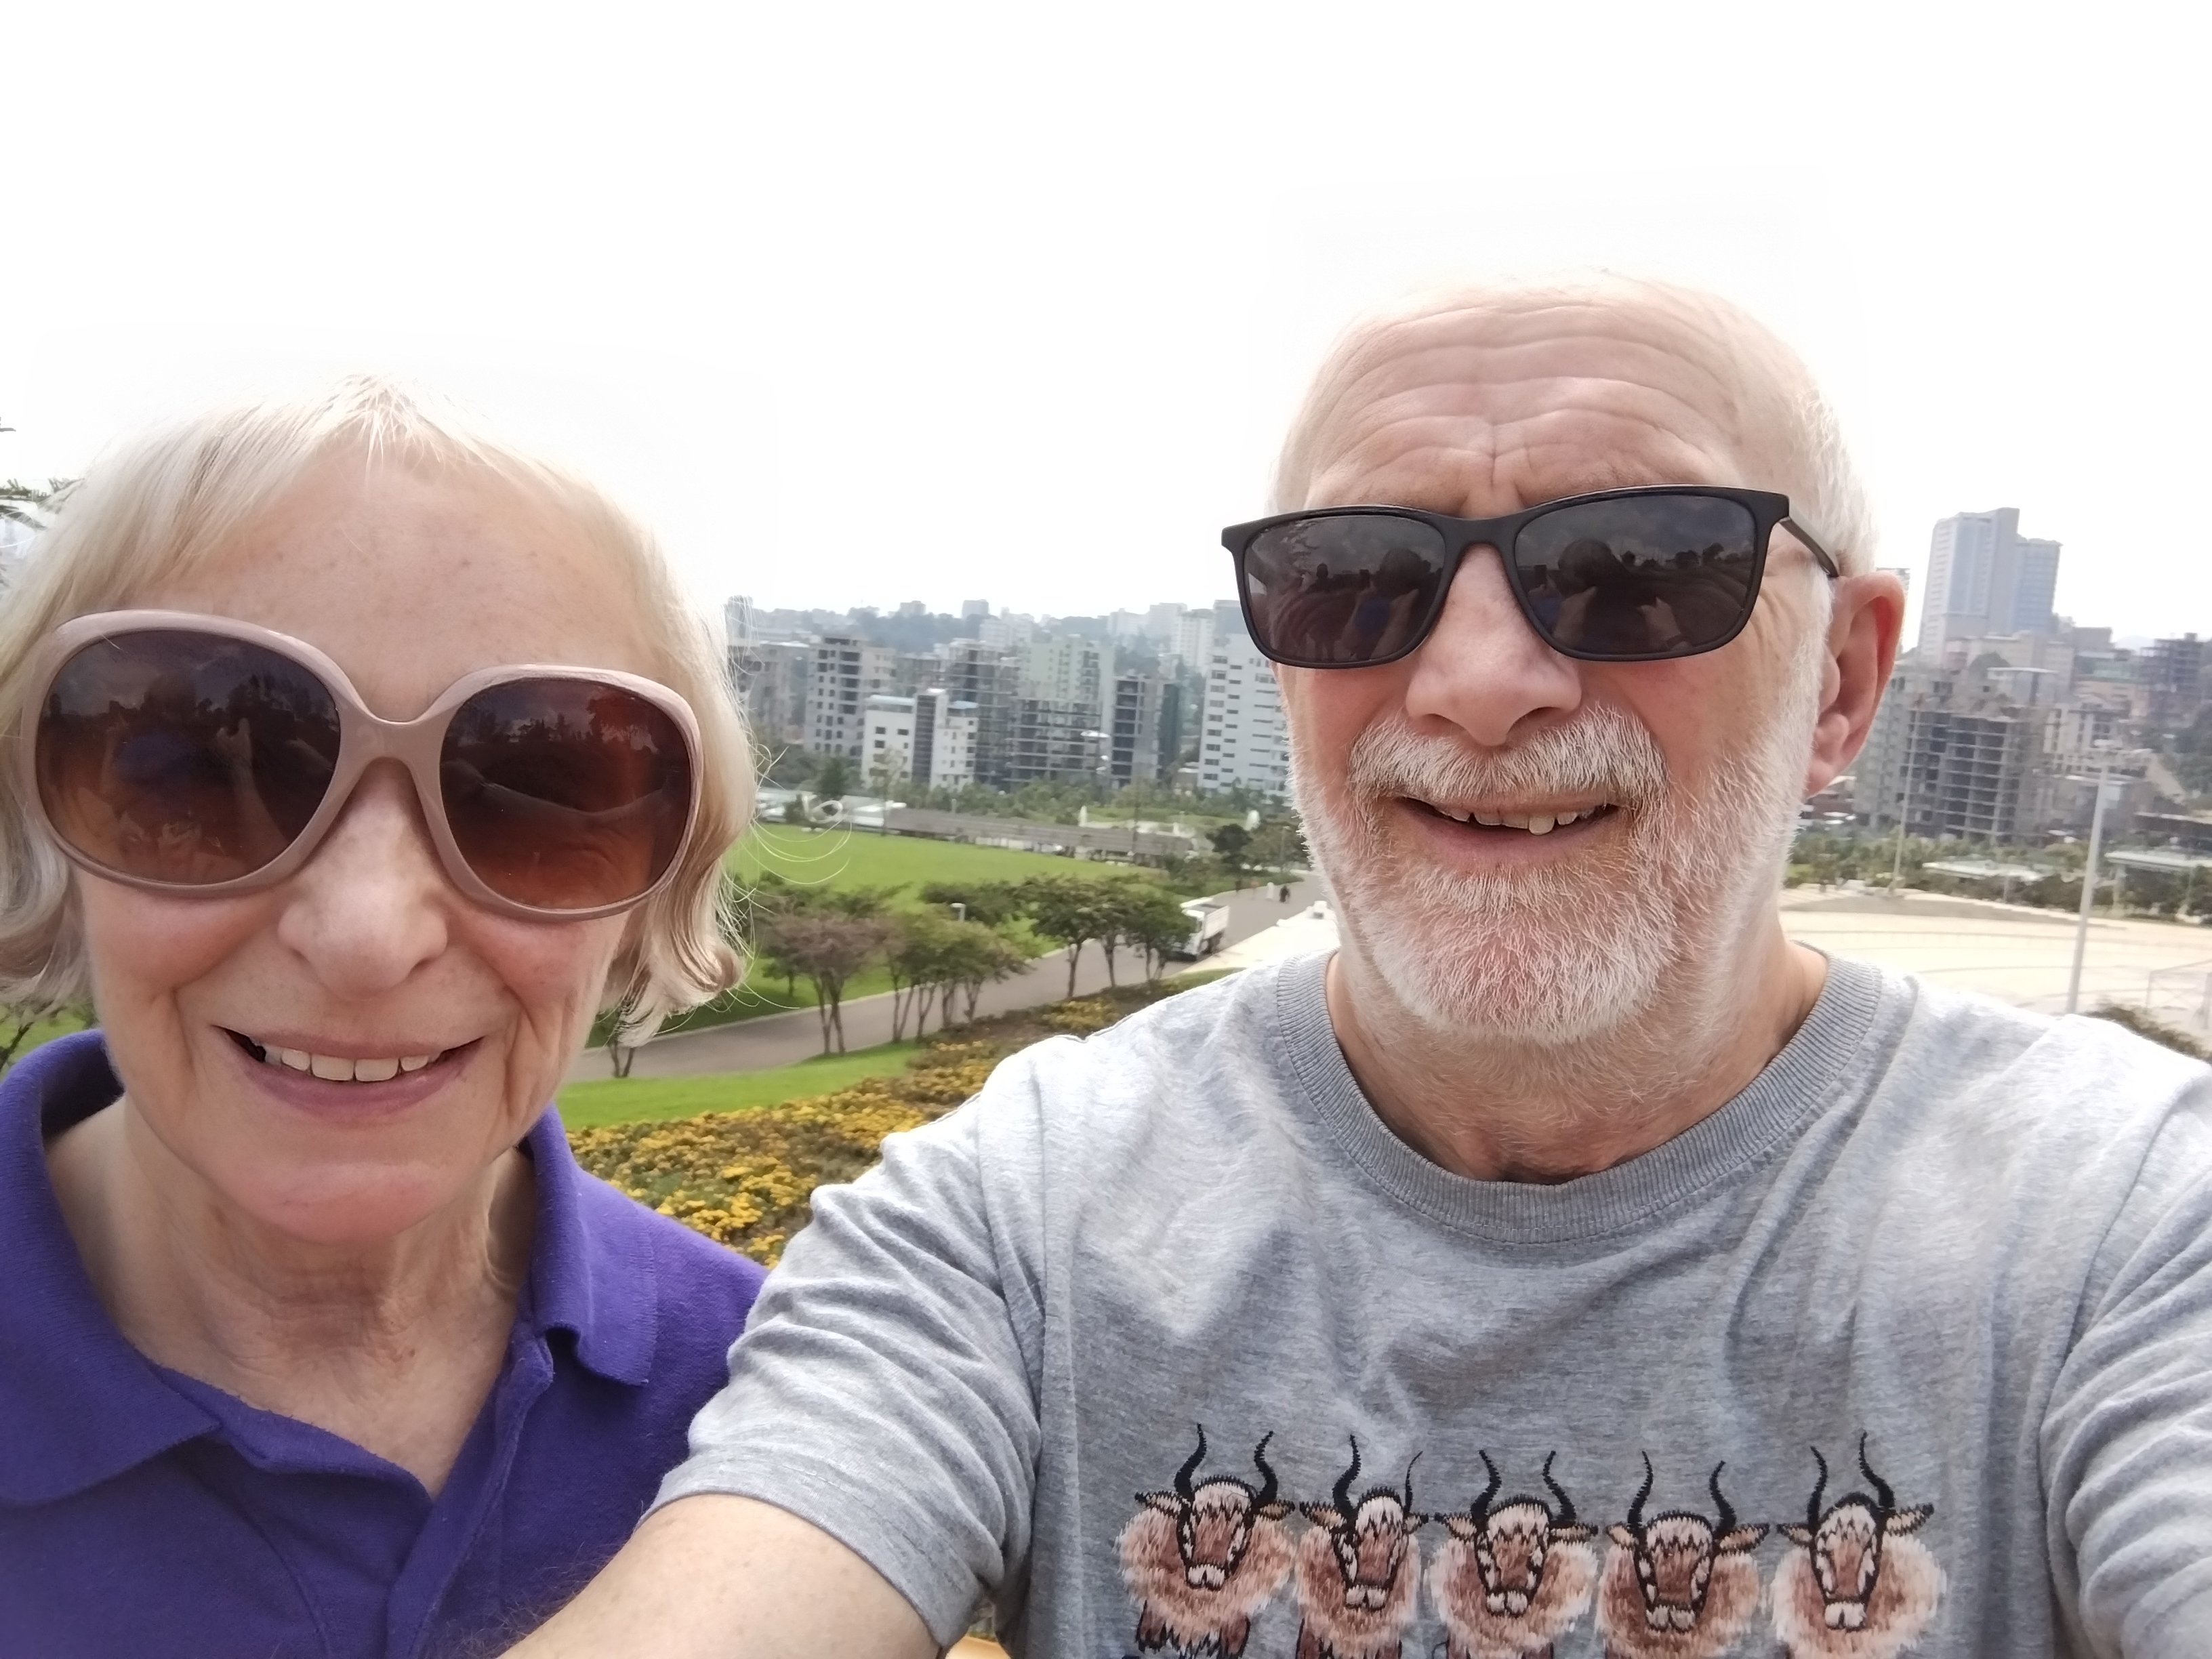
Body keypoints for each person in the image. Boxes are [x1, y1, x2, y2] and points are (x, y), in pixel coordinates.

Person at [515, 277, 2212, 1658]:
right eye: (1354, 579)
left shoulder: (2125, 1227)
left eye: (1635, 568)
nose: (1478, 682)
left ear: (1842, 681)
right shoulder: (1017, 1223)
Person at [0, 379, 767, 1656]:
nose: (367, 936)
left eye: (532, 786)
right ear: (41, 815)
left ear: (657, 885)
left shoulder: (775, 1406)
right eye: (199, 768)